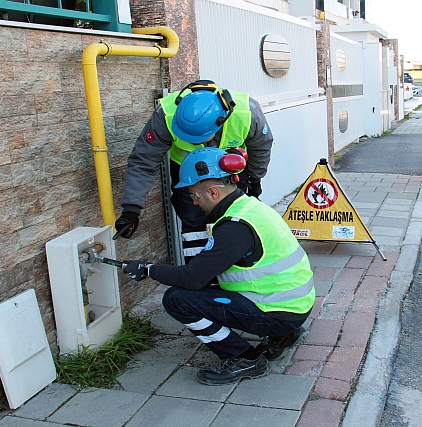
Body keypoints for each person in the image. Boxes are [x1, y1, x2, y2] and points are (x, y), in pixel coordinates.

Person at [122, 147, 315, 385]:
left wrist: (148, 269)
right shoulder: (250, 206)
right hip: (293, 304)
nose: (193, 203)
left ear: (212, 192)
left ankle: (246, 358)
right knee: (207, 285)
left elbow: (192, 278)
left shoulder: (234, 227)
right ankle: (285, 334)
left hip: (279, 312)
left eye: (194, 196)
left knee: (176, 299)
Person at [114, 80, 274, 262]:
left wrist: (255, 180)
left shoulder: (247, 112)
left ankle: (233, 270)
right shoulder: (165, 116)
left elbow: (261, 147)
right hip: (188, 175)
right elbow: (143, 161)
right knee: (193, 225)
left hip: (229, 169)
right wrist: (131, 209)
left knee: (233, 220)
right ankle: (198, 277)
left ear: (220, 122)